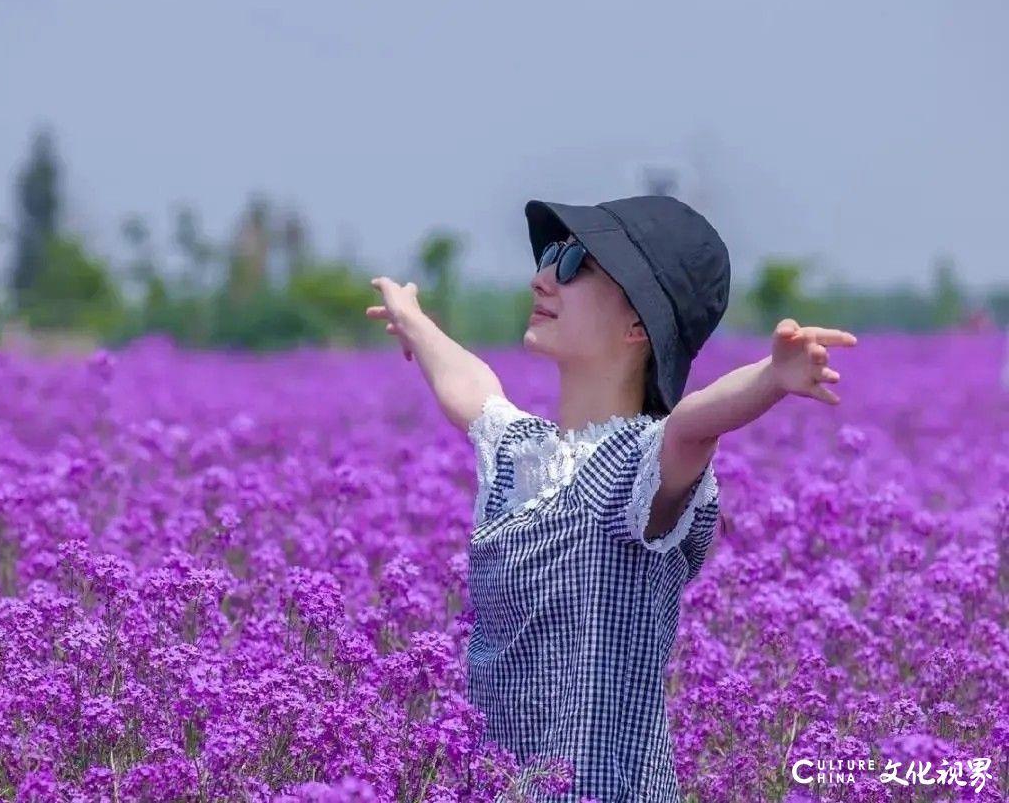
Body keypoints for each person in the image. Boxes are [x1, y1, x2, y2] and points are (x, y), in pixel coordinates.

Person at [367, 195, 858, 802]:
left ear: (637, 326)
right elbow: (473, 391)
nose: (542, 277)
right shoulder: (522, 454)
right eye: (549, 255)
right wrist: (414, 319)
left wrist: (770, 378)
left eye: (576, 264)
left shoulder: (638, 467)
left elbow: (691, 425)